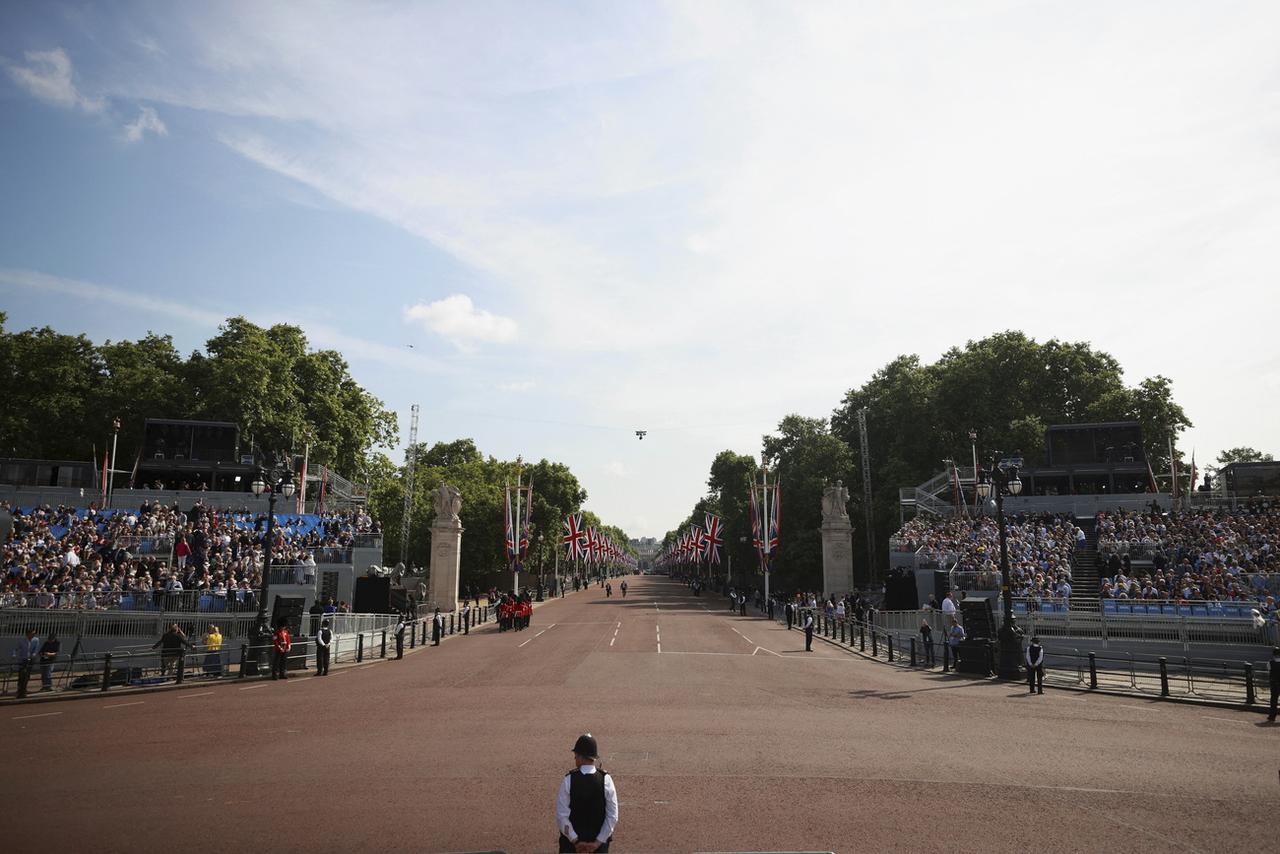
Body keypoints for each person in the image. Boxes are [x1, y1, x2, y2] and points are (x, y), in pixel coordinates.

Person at [556, 733, 619, 853]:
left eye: (575, 755)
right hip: (598, 848)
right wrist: (597, 843)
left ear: (580, 756)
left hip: (571, 847)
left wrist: (576, 841)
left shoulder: (568, 780)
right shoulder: (606, 779)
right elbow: (612, 816)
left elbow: (561, 816)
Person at [11, 629, 39, 699]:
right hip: (23, 659)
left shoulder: (36, 640)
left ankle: (24, 688)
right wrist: (14, 655)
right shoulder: (21, 640)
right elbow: (15, 648)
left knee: (27, 675)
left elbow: (35, 649)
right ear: (27, 634)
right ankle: (20, 688)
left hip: (30, 659)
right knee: (21, 674)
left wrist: (34, 654)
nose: (33, 635)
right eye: (32, 634)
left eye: (34, 634)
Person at [1268, 646, 1280, 723]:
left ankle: (1272, 716)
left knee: (1273, 700)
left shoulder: (1270, 662)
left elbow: (1269, 670)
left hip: (1274, 684)